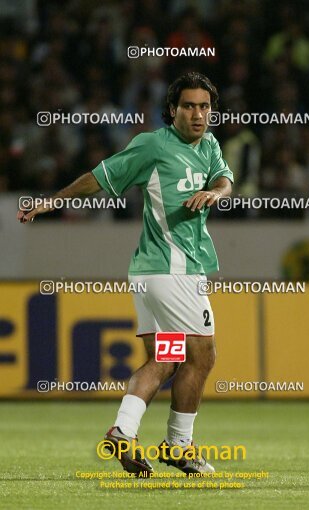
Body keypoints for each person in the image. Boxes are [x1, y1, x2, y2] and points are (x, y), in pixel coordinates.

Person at [17, 72, 233, 475]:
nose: (198, 114)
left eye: (204, 106)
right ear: (172, 110)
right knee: (203, 353)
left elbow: (225, 179)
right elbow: (100, 178)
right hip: (172, 270)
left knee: (166, 360)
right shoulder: (153, 145)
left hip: (152, 272)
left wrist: (215, 192)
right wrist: (49, 203)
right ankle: (178, 445)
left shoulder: (210, 146)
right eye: (189, 106)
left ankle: (123, 430)